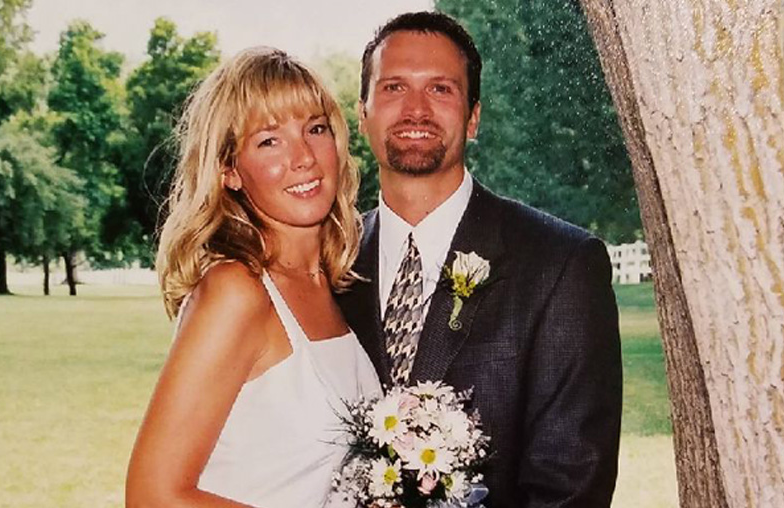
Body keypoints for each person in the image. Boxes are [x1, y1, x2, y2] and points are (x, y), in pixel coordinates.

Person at [336, 12, 623, 507]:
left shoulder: (561, 264)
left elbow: (572, 485)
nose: (416, 109)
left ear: (473, 117)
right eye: (394, 88)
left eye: (441, 90)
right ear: (363, 113)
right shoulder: (327, 258)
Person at [126, 47, 380, 508]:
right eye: (269, 141)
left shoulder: (332, 283)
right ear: (229, 171)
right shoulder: (235, 291)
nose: (303, 157)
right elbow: (152, 496)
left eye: (315, 129)